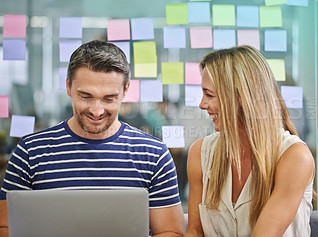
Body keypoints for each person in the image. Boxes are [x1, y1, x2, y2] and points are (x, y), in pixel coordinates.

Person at [0, 40, 185, 237]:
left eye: (109, 98)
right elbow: (6, 227)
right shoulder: (30, 151)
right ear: (68, 86)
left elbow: (170, 231)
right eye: (86, 96)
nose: (97, 111)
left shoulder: (153, 154)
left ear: (125, 91)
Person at [185, 46, 316, 237]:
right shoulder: (200, 153)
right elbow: (195, 232)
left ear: (242, 97)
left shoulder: (295, 157)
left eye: (210, 95)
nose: (202, 104)